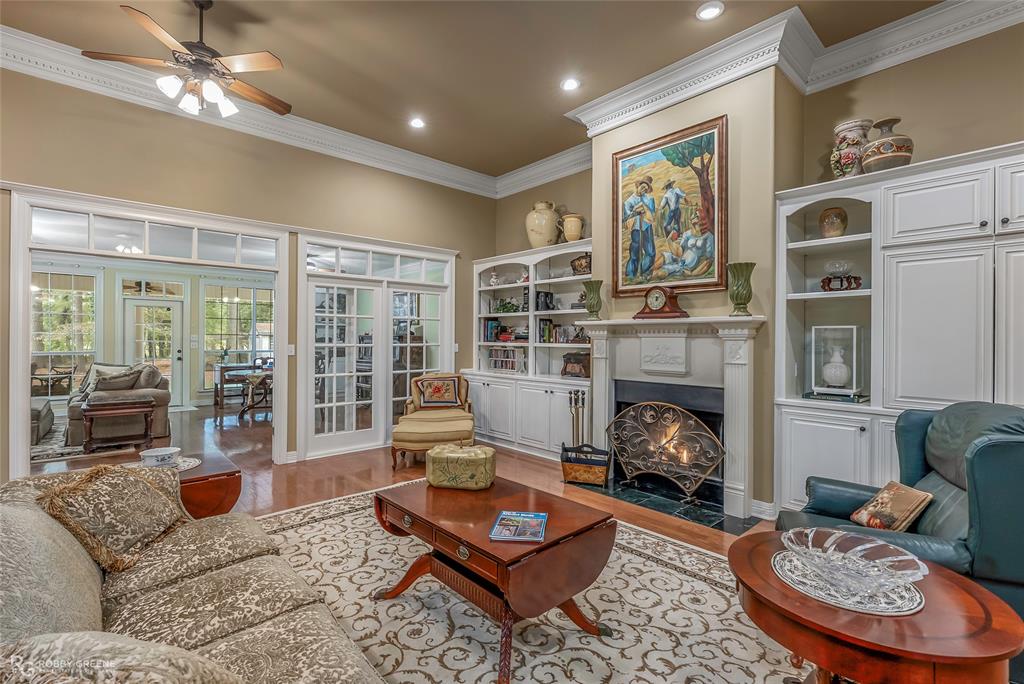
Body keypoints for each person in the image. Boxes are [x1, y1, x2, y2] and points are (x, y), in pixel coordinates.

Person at [623, 176, 656, 279]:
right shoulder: (629, 201)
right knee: (634, 252)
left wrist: (645, 209)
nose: (644, 190)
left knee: (650, 252)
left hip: (646, 227)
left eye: (646, 189)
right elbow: (626, 217)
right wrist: (636, 212)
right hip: (636, 229)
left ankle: (644, 272)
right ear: (638, 186)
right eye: (642, 187)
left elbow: (652, 214)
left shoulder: (649, 199)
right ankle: (631, 275)